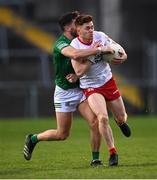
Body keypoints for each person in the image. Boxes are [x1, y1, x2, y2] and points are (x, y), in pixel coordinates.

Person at [23, 11, 114, 167]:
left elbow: (89, 60)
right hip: (64, 92)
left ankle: (95, 159)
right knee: (62, 134)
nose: (79, 24)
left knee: (94, 121)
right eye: (75, 22)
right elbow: (76, 55)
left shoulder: (84, 40)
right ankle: (33, 139)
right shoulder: (61, 43)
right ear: (67, 27)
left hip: (80, 89)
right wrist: (98, 50)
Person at [70, 14, 131, 166]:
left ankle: (120, 122)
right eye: (87, 28)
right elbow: (78, 72)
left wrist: (122, 57)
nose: (91, 30)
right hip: (91, 87)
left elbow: (119, 49)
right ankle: (113, 153)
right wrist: (95, 52)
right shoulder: (75, 46)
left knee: (121, 117)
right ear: (78, 30)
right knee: (102, 117)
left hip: (108, 81)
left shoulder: (101, 36)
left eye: (92, 27)